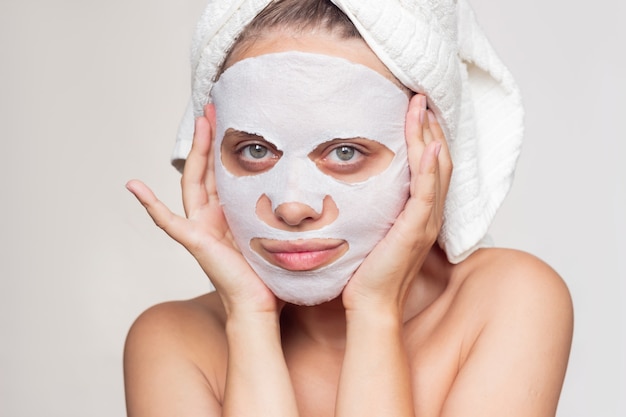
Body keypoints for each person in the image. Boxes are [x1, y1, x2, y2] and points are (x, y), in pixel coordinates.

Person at [124, 0, 573, 416]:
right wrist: (250, 320)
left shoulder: (509, 300)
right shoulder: (172, 340)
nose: (292, 206)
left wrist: (375, 312)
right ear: (212, 157)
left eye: (345, 152)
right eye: (256, 150)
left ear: (429, 152)